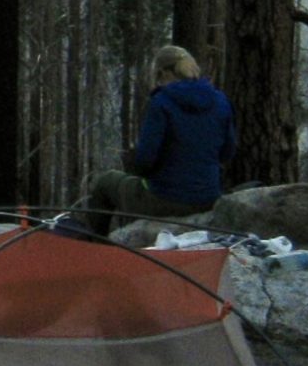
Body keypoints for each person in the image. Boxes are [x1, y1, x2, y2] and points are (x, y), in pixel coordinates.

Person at [74, 44, 236, 232]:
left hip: (165, 200)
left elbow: (145, 161)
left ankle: (95, 244)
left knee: (105, 182)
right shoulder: (220, 101)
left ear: (164, 73)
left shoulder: (161, 103)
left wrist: (136, 164)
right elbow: (227, 153)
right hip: (208, 199)